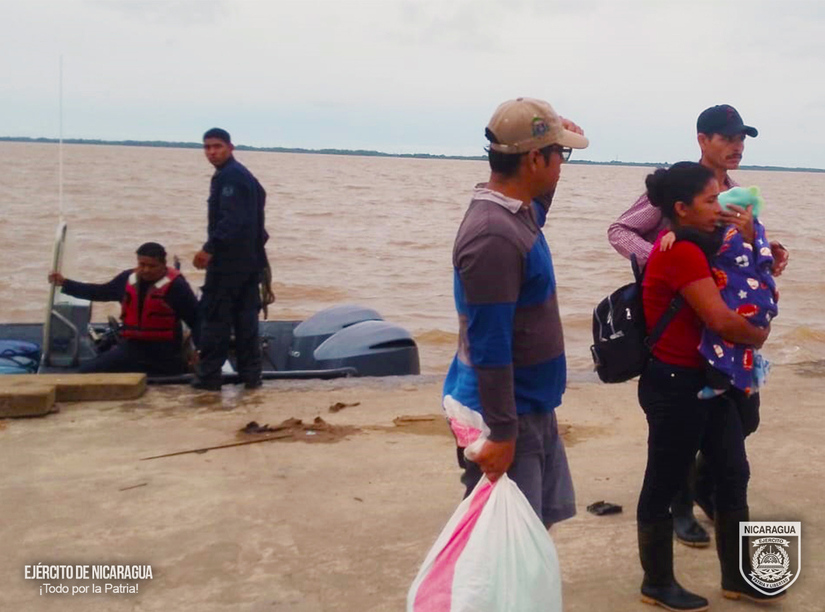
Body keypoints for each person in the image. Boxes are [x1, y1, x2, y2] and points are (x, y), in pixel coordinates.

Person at [607, 104, 788, 547]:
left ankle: (706, 486)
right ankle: (682, 507)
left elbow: (741, 253)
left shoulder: (738, 196)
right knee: (681, 425)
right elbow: (620, 231)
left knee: (744, 418)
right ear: (702, 140)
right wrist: (663, 263)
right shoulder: (679, 186)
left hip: (726, 327)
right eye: (727, 137)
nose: (737, 146)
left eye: (741, 138)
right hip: (681, 323)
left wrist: (765, 250)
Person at [636, 162, 782, 610]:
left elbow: (741, 267)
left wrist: (762, 246)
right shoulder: (680, 252)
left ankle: (739, 578)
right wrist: (759, 335)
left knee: (733, 472)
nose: (720, 206)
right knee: (663, 483)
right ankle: (656, 583)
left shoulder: (701, 241)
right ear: (682, 208)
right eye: (710, 199)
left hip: (709, 380)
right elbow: (720, 319)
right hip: (675, 382)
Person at [442, 97, 588, 528]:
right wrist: (503, 433)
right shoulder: (494, 237)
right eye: (560, 155)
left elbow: (538, 206)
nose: (562, 165)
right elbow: (490, 344)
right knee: (505, 542)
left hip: (529, 405)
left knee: (531, 535)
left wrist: (557, 137)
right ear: (535, 159)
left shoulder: (517, 214)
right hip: (506, 416)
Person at [192, 128, 269, 391]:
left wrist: (209, 248)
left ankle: (209, 378)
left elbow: (233, 219)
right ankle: (251, 377)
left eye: (217, 146)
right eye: (207, 147)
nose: (212, 152)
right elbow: (260, 198)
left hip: (228, 265)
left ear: (230, 147)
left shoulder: (230, 177)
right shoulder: (242, 174)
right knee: (246, 322)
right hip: (249, 263)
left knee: (215, 321)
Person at [47, 242, 199, 375]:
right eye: (142, 264)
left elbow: (197, 320)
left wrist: (200, 352)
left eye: (152, 266)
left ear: (163, 265)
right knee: (86, 372)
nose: (146, 270)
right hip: (132, 347)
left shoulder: (177, 287)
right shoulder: (127, 279)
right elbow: (100, 292)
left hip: (164, 351)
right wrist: (65, 283)